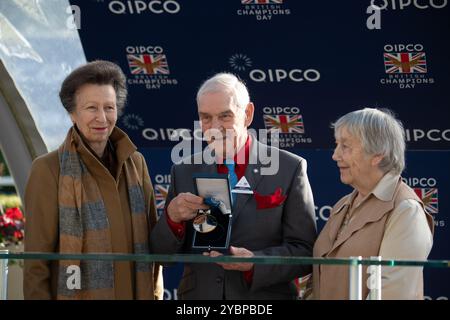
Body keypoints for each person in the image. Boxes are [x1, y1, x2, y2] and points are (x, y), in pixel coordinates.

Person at [150, 73, 317, 300]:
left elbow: (305, 252)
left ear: (247, 114)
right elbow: (159, 256)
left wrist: (255, 263)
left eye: (225, 116)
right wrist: (172, 218)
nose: (215, 127)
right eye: (206, 118)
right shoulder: (183, 171)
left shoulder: (289, 168)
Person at [23, 60, 163, 300]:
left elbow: (152, 249)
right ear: (72, 113)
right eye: (91, 108)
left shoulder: (136, 163)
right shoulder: (48, 169)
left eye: (109, 107)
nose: (102, 117)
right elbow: (36, 263)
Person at [313, 108, 434, 300]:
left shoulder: (406, 210)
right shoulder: (343, 205)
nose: (335, 155)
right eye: (337, 145)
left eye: (345, 146)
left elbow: (393, 294)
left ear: (378, 154)